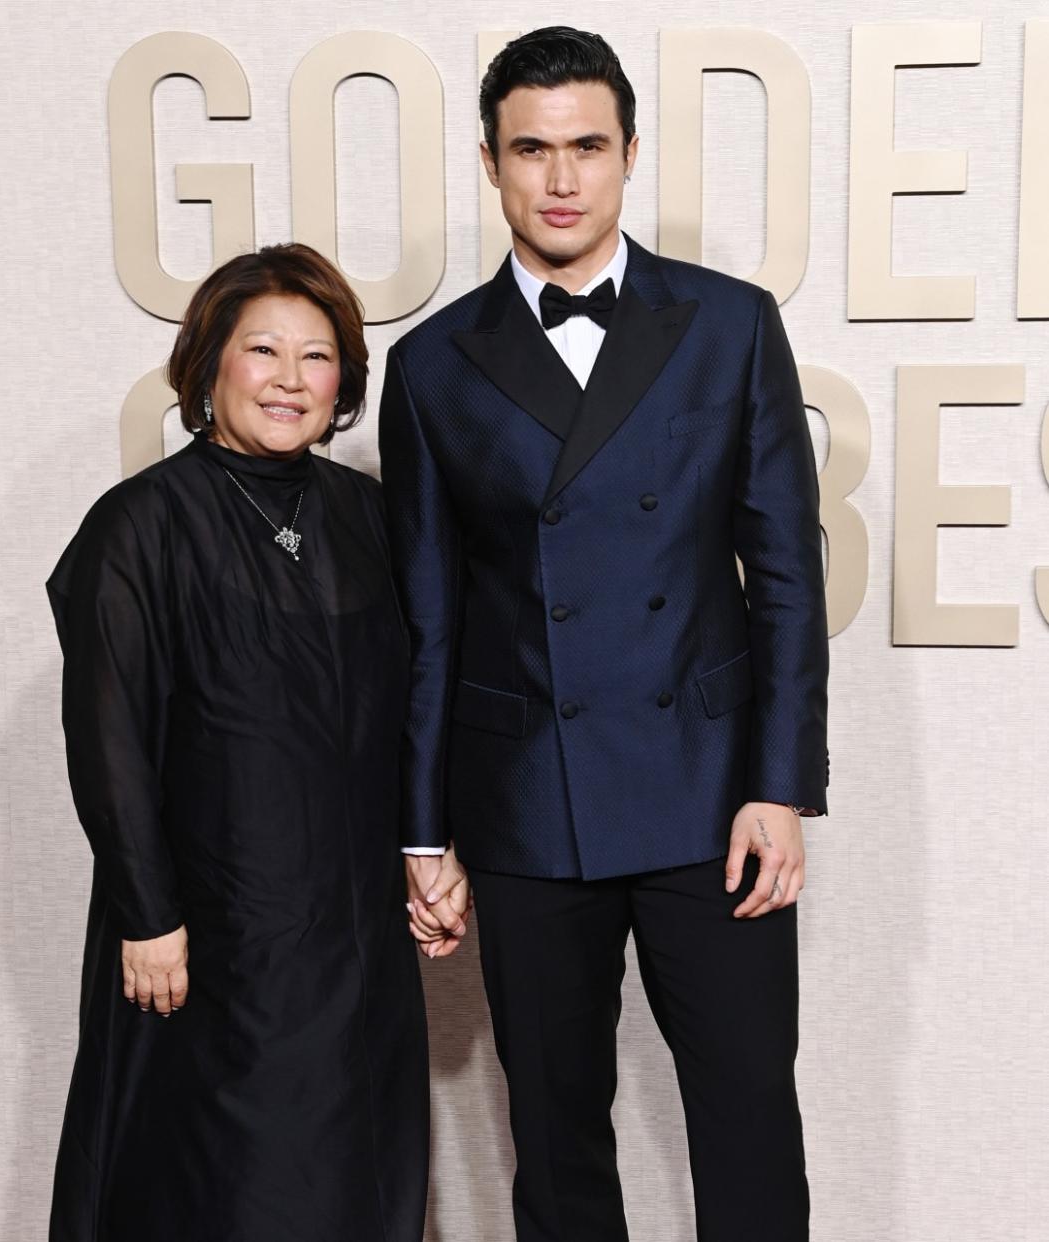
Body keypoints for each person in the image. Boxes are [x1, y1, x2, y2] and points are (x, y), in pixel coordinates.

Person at [379, 26, 828, 1242]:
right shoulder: (429, 367)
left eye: (587, 145)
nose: (562, 177)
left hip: (712, 795)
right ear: (491, 164)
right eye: (533, 149)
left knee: (747, 1121)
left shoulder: (729, 324)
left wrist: (779, 786)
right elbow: (431, 619)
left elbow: (785, 570)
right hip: (527, 800)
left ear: (630, 154)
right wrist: (425, 832)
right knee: (557, 1137)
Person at [46, 243, 428, 1242]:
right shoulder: (137, 527)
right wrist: (148, 915)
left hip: (351, 937)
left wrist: (435, 850)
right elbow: (109, 734)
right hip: (207, 934)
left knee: (354, 1175)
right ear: (210, 364)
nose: (291, 380)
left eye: (318, 356)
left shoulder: (370, 517)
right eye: (264, 351)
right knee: (217, 1185)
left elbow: (419, 700)